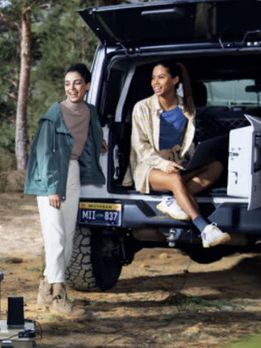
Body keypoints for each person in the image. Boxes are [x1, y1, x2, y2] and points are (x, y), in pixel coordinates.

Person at [24, 63, 107, 316]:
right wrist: (52, 188)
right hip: (50, 177)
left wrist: (98, 141)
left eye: (77, 83)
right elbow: (44, 153)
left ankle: (46, 288)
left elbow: (89, 134)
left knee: (68, 237)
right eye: (67, 83)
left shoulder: (89, 112)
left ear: (87, 86)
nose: (72, 88)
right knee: (56, 236)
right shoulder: (54, 113)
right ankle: (59, 295)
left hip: (72, 172)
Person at [124, 60, 230, 248]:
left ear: (175, 80)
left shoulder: (186, 108)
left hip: (178, 164)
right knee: (174, 179)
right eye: (153, 78)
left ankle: (176, 200)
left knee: (216, 166)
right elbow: (140, 147)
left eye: (161, 77)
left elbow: (188, 141)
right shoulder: (142, 107)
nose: (156, 82)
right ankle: (205, 229)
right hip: (149, 167)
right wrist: (163, 164)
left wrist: (194, 160)